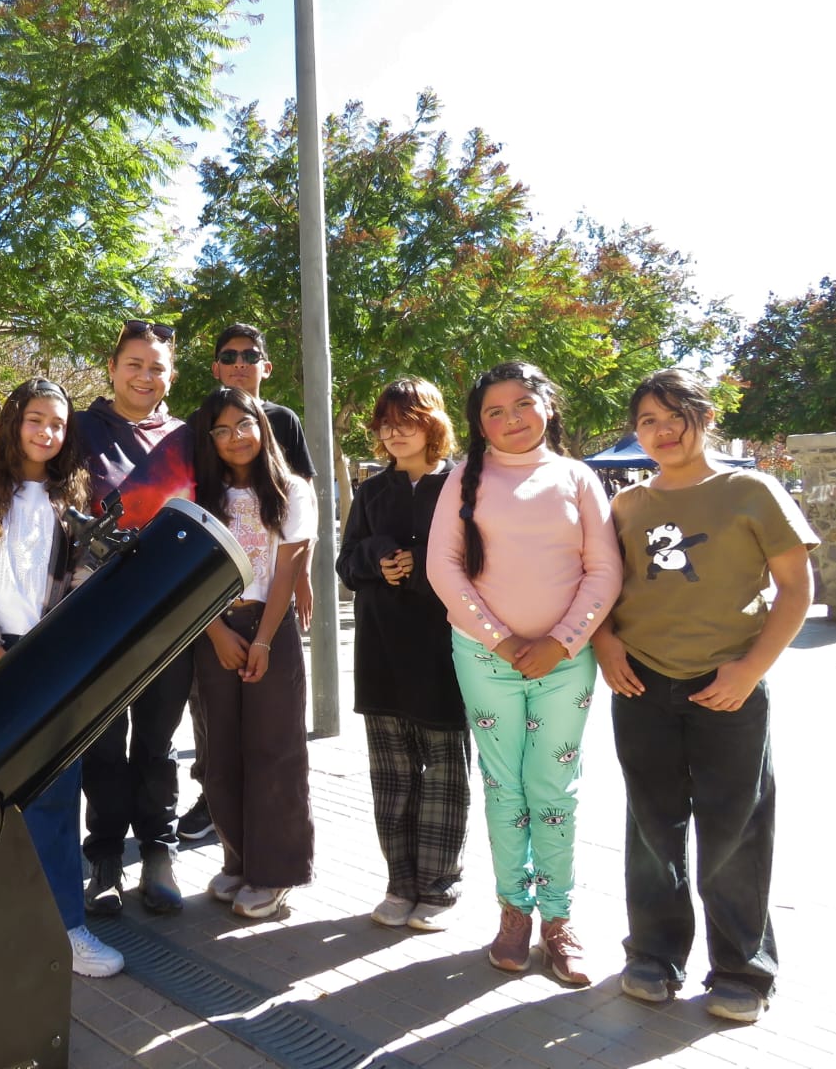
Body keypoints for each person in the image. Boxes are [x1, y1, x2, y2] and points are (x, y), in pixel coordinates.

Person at [591, 369, 817, 1024]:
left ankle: (742, 970)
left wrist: (749, 670)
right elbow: (600, 585)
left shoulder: (750, 488)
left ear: (702, 415)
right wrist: (605, 644)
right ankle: (653, 956)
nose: (660, 432)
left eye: (672, 417)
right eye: (646, 422)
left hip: (728, 690)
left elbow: (796, 589)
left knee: (735, 830)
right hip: (640, 688)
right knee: (649, 828)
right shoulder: (627, 504)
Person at [0, 319, 192, 917]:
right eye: (133, 362)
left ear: (171, 375)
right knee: (96, 747)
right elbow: (20, 456)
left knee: (155, 743)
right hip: (83, 626)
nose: (144, 375)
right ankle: (101, 859)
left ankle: (157, 852)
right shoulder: (79, 429)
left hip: (167, 611)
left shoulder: (187, 439)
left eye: (157, 365)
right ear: (112, 367)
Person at [0, 378, 125, 977]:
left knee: (57, 797)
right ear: (14, 422)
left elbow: (72, 591)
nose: (47, 432)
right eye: (36, 419)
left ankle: (65, 927)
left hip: (47, 662)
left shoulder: (70, 501)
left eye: (58, 424)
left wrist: (100, 562)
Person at [427, 362, 621, 986]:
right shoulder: (463, 479)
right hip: (486, 658)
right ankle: (514, 912)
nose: (509, 419)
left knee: (553, 789)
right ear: (478, 423)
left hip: (566, 662)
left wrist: (562, 642)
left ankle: (558, 922)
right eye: (493, 411)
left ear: (547, 406)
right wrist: (504, 640)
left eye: (521, 405)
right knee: (504, 787)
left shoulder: (579, 477)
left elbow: (604, 570)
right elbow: (444, 569)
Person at [336, 378, 470, 932]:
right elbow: (346, 567)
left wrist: (415, 560)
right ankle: (400, 882)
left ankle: (439, 885)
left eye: (407, 419)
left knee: (444, 773)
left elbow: (477, 559)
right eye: (386, 421)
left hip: (445, 652)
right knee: (391, 776)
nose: (394, 431)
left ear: (433, 422)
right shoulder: (371, 492)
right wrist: (377, 560)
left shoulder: (462, 488)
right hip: (381, 653)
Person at [179, 323, 316, 845]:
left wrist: (302, 576)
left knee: (272, 733)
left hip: (270, 600)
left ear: (266, 364)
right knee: (213, 719)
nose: (240, 362)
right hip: (212, 610)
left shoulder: (283, 422)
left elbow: (300, 508)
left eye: (249, 354)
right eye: (229, 355)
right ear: (215, 366)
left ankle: (271, 846)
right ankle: (212, 805)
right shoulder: (198, 425)